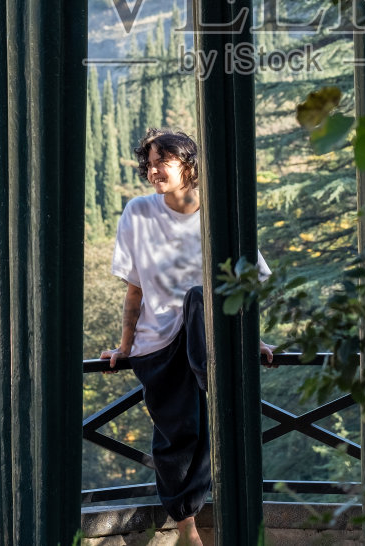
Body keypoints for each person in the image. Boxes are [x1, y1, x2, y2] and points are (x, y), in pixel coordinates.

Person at [104, 128, 273, 546]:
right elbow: (135, 288)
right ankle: (187, 528)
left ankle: (207, 379)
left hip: (211, 342)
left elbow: (246, 284)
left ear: (189, 166)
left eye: (164, 160)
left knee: (200, 298)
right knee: (180, 435)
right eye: (150, 162)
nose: (154, 169)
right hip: (159, 346)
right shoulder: (139, 212)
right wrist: (125, 346)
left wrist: (254, 338)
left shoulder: (220, 213)